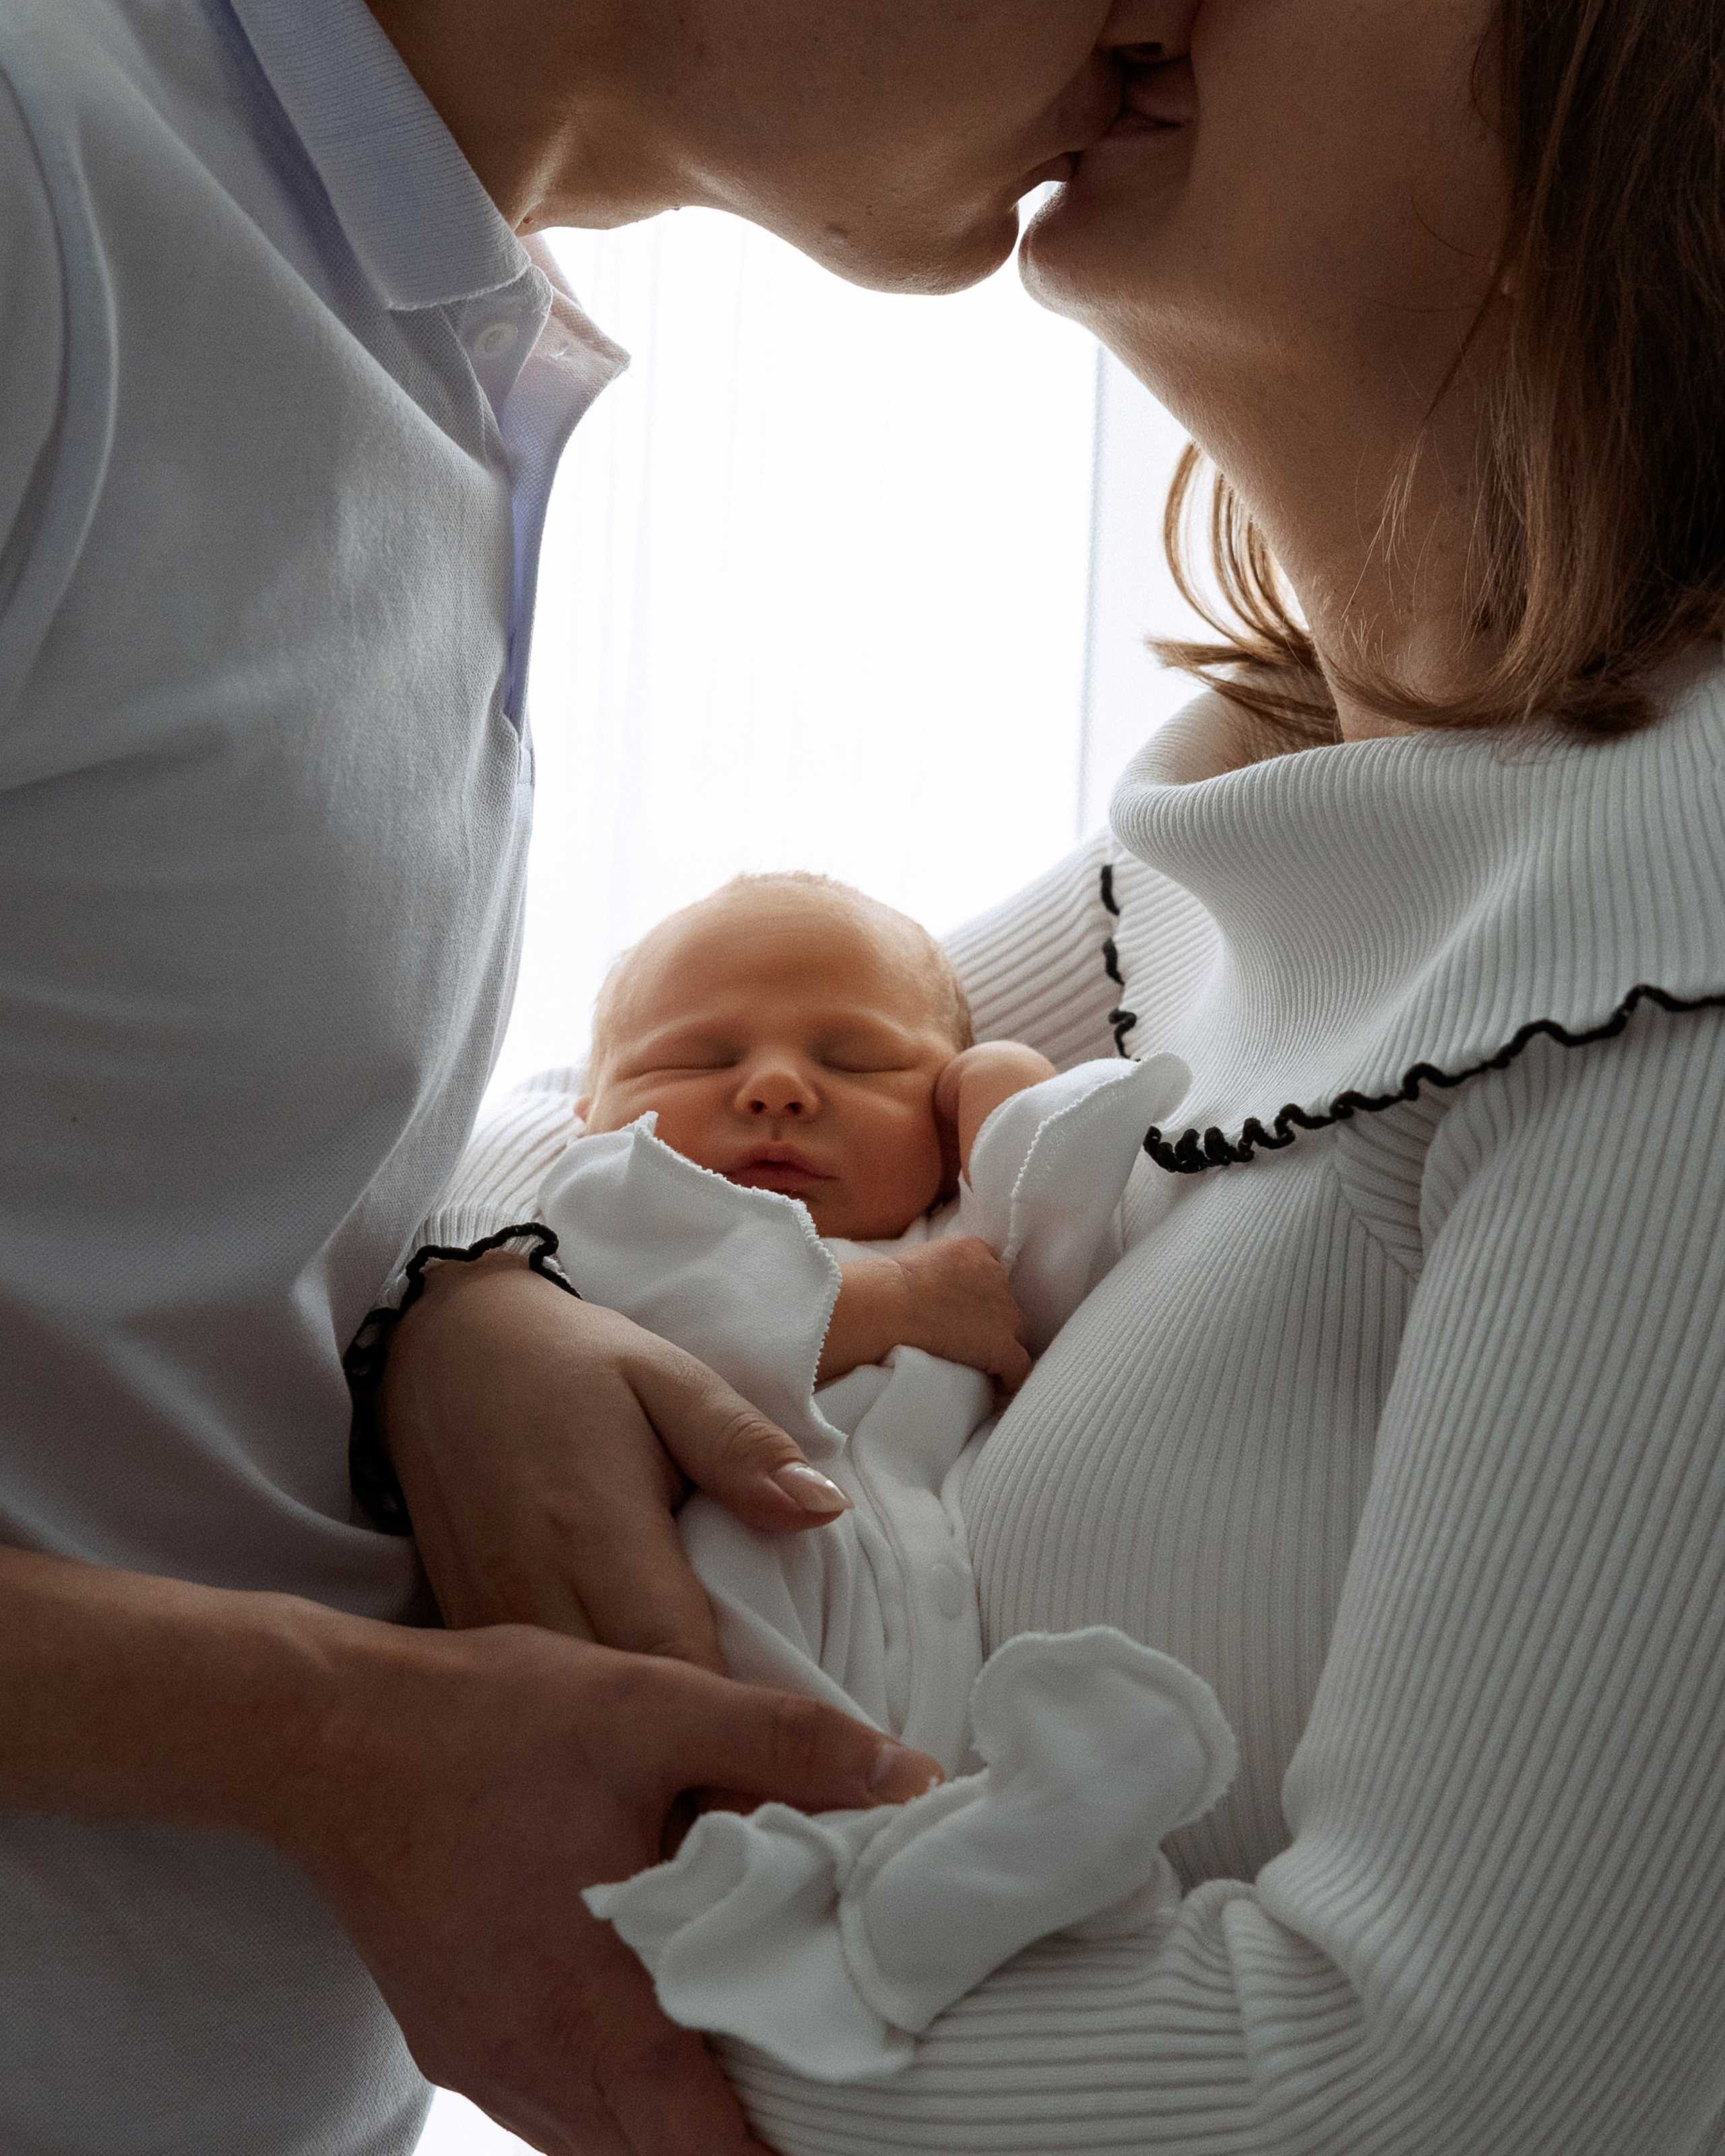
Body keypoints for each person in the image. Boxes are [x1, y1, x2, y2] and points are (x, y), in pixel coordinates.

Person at [422, 0, 1725, 2149]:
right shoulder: (1257, 808)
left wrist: (493, 1862)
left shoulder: (1660, 966)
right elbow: (630, 1103)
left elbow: (1415, 2092)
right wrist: (472, 1310)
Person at [0, 1, 1143, 2152]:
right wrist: (326, 1735)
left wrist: (475, 1283)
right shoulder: (45, 194)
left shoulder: (398, 341)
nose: (1179, 36)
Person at [529, 872, 1235, 2079]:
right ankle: (821, 1926)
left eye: (860, 1065)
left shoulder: (950, 1240)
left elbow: (1066, 1260)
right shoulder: (614, 1206)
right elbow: (654, 1310)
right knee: (762, 1782)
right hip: (727, 1616)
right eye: (691, 1060)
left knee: (961, 1802)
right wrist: (908, 1300)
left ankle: (944, 1902)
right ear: (589, 1112)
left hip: (928, 1643)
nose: (777, 1086)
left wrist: (1003, 1084)